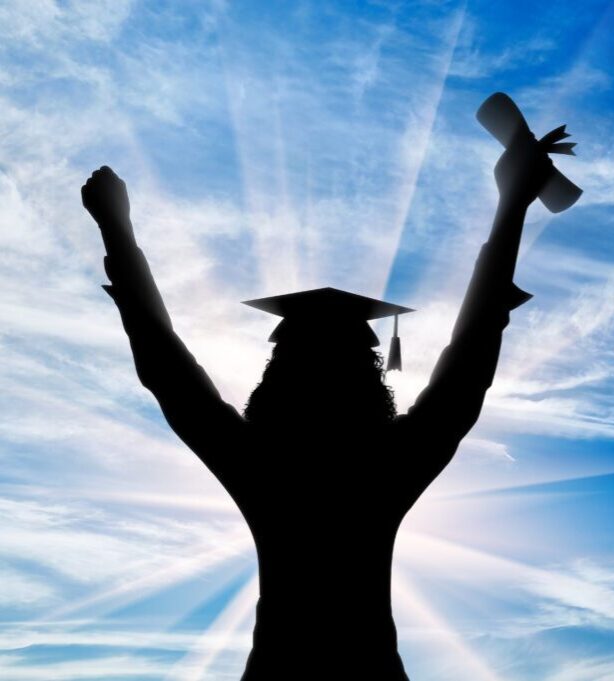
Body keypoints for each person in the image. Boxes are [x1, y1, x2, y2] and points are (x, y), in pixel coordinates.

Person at [82, 112, 572, 679]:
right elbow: (470, 359)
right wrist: (513, 202)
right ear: (369, 376)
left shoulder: (258, 465)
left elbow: (165, 363)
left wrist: (117, 229)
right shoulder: (389, 465)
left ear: (275, 374)